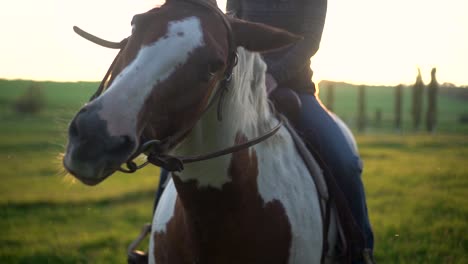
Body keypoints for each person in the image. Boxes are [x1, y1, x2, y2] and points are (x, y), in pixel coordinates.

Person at [226, 0, 375, 263]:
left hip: (295, 90)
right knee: (182, 149)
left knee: (345, 163)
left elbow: (310, 42)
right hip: (241, 90)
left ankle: (359, 248)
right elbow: (231, 28)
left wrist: (273, 76)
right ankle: (156, 239)